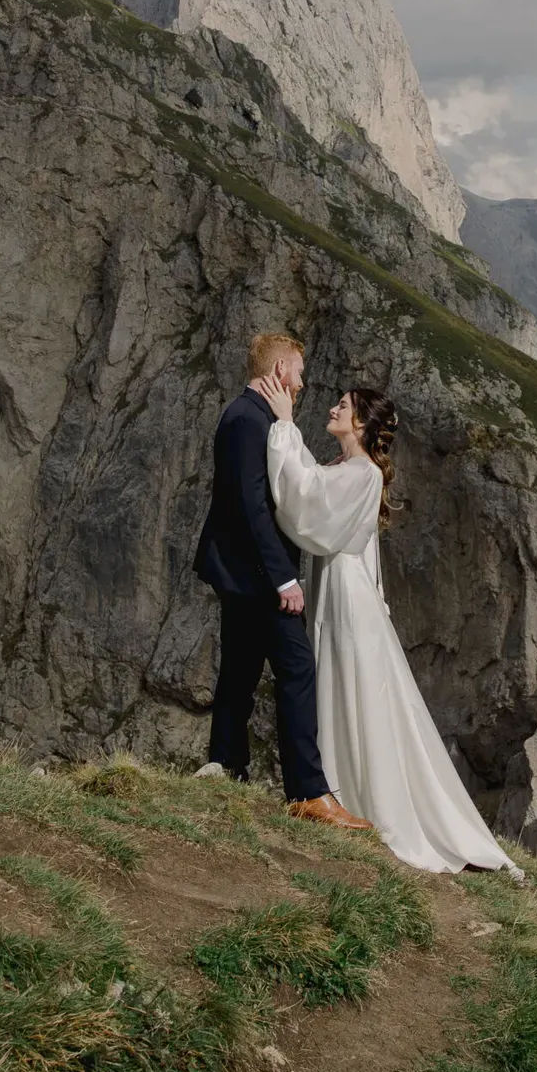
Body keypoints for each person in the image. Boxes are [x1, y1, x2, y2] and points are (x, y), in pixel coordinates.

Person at [255, 371, 526, 879]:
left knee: (354, 688)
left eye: (343, 405)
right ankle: (338, 791)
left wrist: (284, 426)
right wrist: (287, 432)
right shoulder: (350, 468)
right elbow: (311, 487)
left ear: (360, 422)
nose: (333, 409)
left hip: (348, 600)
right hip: (338, 592)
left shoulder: (363, 475)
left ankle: (358, 796)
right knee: (340, 687)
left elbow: (308, 508)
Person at [193, 333, 373, 831]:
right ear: (278, 373)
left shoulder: (256, 417)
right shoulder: (249, 419)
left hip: (246, 572)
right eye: (297, 371)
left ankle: (227, 762)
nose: (303, 381)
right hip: (258, 575)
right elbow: (254, 506)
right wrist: (284, 579)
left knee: (241, 668)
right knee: (296, 671)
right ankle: (308, 792)